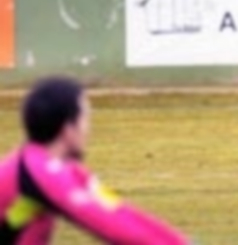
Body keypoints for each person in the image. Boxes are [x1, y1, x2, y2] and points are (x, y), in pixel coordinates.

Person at [0, 77, 191, 244]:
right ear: (68, 127)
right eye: (85, 119)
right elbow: (110, 226)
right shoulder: (41, 172)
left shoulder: (65, 170)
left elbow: (119, 212)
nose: (88, 129)